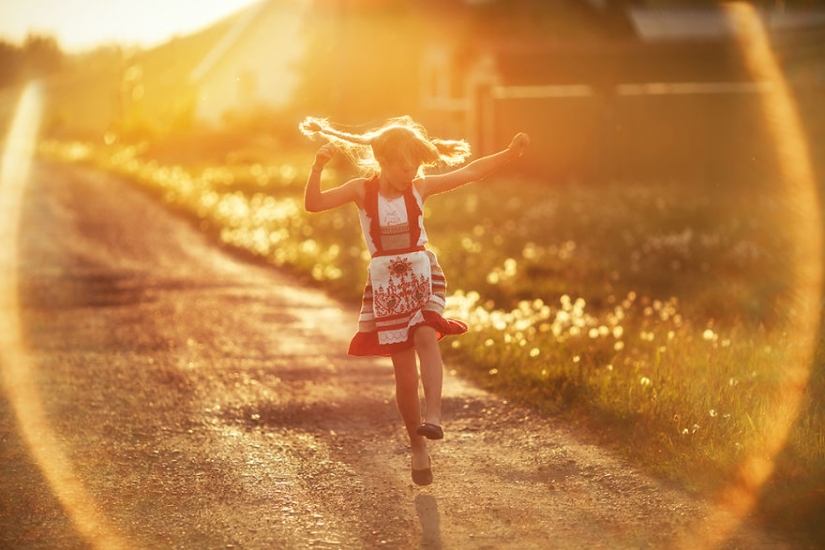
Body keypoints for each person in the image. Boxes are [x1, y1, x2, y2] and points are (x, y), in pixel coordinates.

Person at [300, 116, 530, 486]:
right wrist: (318, 167)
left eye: (415, 166)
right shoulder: (361, 190)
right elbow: (314, 204)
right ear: (383, 161)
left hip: (422, 275)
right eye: (403, 166)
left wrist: (509, 153)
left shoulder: (419, 189)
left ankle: (434, 417)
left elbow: (469, 172)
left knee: (426, 334)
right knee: (405, 377)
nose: (410, 173)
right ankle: (417, 445)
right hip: (387, 286)